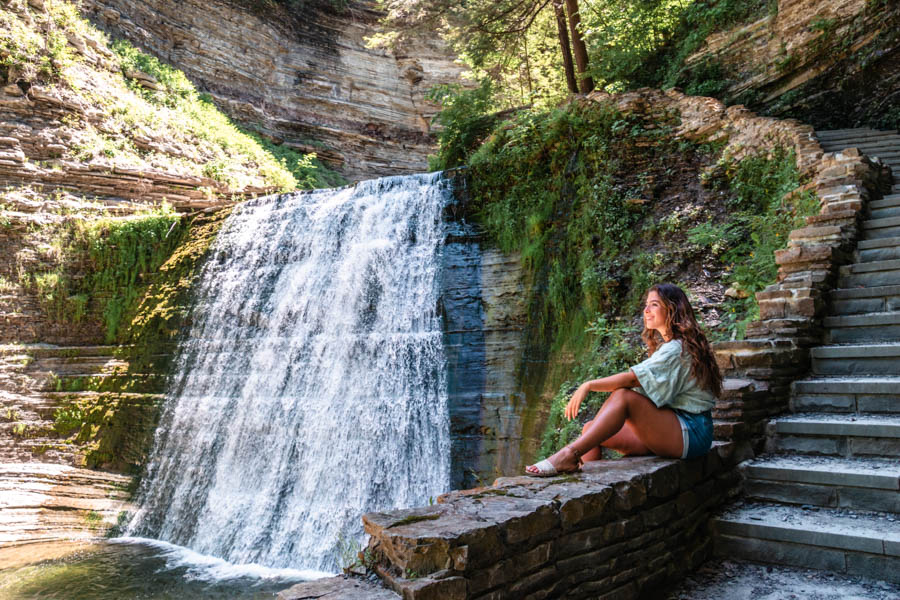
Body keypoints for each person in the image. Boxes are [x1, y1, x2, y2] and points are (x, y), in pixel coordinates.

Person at [526, 283, 722, 476]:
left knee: (623, 397)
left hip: (691, 433)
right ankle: (584, 486)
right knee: (590, 430)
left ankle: (568, 454)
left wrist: (588, 385)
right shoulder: (675, 346)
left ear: (672, 309)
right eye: (646, 304)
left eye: (654, 304)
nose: (646, 310)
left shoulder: (676, 350)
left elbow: (632, 380)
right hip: (675, 427)